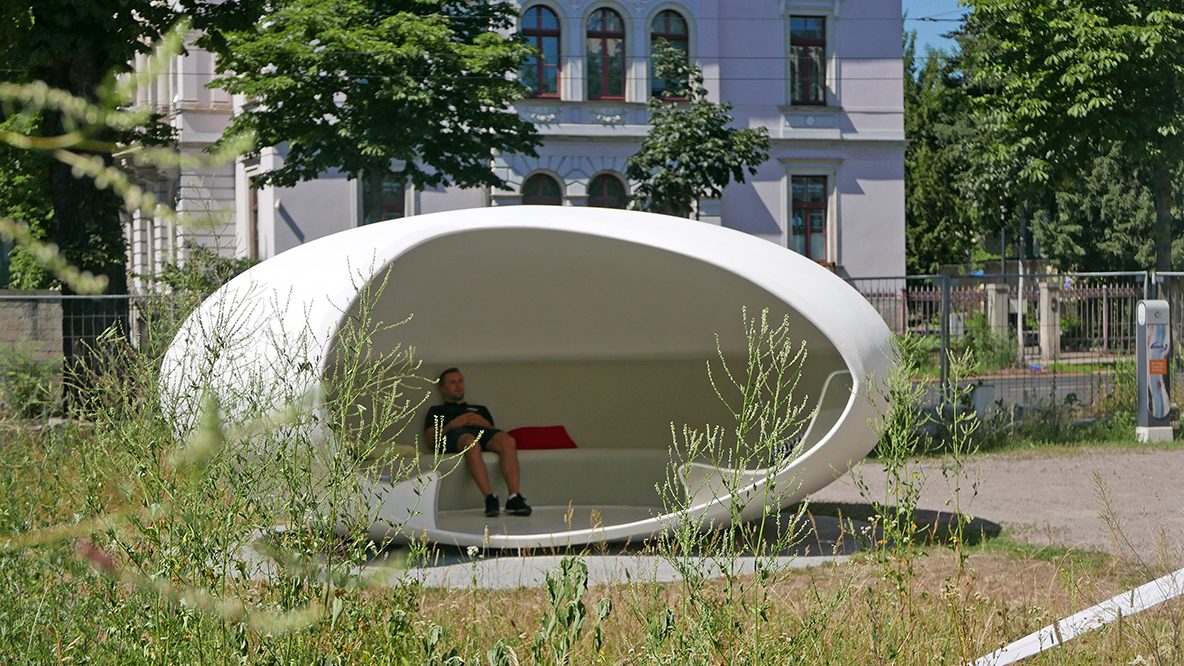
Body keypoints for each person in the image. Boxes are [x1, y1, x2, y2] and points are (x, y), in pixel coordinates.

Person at [424, 367, 532, 517]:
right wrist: (453, 424)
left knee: (508, 440)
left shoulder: (480, 409)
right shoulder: (437, 410)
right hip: (458, 436)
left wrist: (485, 424)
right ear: (443, 389)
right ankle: (489, 498)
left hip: (481, 432)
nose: (458, 385)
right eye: (453, 383)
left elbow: (494, 433)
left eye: (460, 381)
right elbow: (431, 440)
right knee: (470, 442)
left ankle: (514, 498)